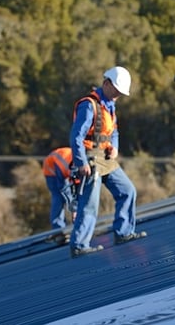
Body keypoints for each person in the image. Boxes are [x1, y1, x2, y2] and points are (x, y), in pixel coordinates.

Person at [68, 66, 147, 258]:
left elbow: (114, 131)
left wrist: (115, 147)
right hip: (89, 158)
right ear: (106, 83)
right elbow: (76, 137)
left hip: (105, 157)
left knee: (127, 191)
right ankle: (79, 245)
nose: (118, 95)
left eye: (121, 93)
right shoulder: (89, 105)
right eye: (117, 90)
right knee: (89, 204)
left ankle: (123, 232)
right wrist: (81, 162)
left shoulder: (110, 105)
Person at [42, 147, 77, 230]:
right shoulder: (63, 165)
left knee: (72, 195)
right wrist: (74, 210)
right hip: (51, 172)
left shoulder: (79, 163)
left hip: (64, 167)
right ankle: (58, 228)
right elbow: (64, 189)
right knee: (58, 197)